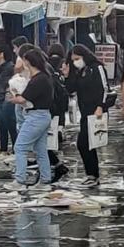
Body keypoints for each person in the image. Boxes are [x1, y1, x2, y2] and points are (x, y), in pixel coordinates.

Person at [5, 49, 54, 191]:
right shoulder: (44, 77)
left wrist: (11, 98)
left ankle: (20, 179)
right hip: (43, 115)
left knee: (20, 147)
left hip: (35, 117)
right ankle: (45, 179)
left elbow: (22, 98)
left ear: (28, 62)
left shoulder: (38, 80)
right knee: (40, 149)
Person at [66, 44, 107, 188]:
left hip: (96, 110)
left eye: (77, 58)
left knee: (85, 142)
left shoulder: (96, 68)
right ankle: (91, 174)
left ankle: (93, 175)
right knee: (86, 144)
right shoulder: (80, 71)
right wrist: (67, 75)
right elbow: (71, 90)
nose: (75, 62)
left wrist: (101, 106)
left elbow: (105, 88)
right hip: (84, 111)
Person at [47, 44, 71, 183]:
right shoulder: (63, 62)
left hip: (52, 102)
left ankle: (54, 165)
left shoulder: (47, 65)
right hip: (60, 99)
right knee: (58, 119)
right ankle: (59, 131)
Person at [0, 44, 16, 163]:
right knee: (1, 126)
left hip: (6, 100)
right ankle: (3, 150)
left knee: (11, 125)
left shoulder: (10, 67)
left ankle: (16, 150)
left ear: (2, 54)